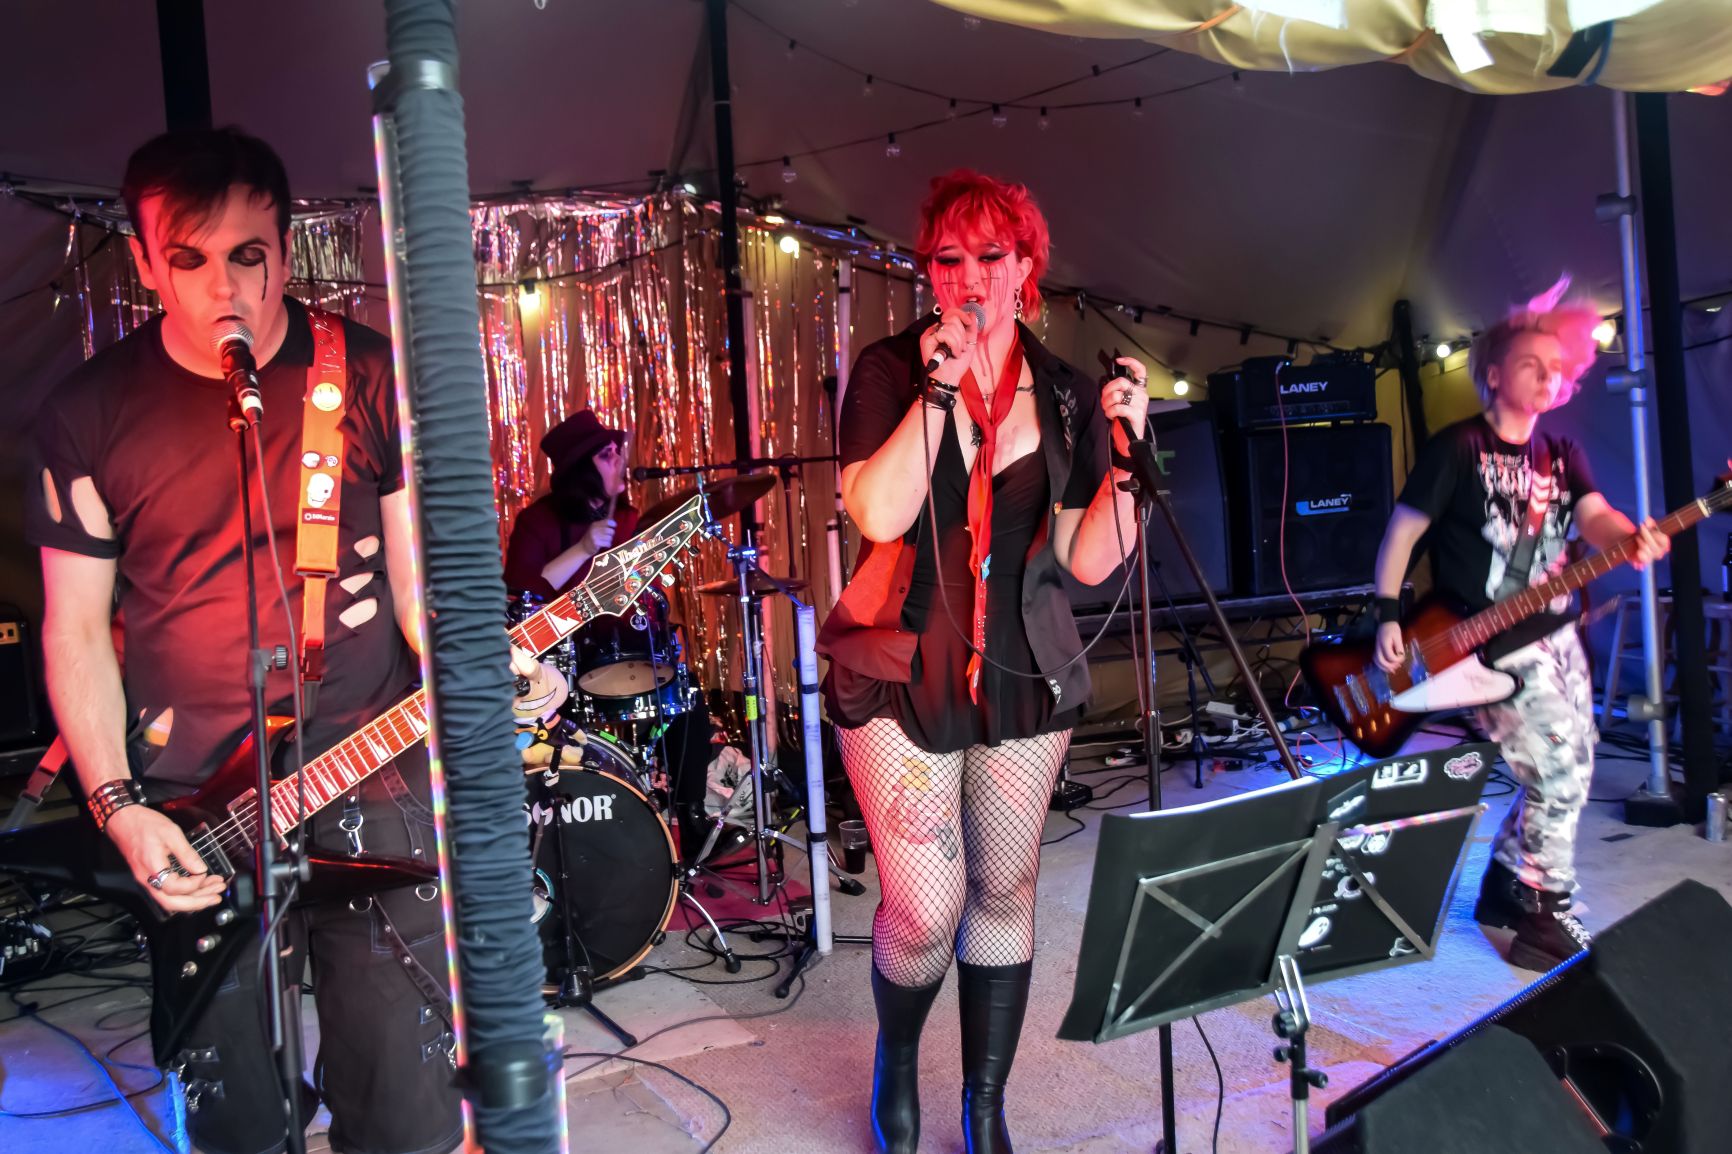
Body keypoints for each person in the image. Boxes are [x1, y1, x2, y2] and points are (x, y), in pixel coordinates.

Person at [27, 127, 463, 1154]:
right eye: (188, 259)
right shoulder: (87, 412)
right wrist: (117, 807)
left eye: (248, 255)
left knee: (407, 1110)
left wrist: (483, 668)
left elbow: (423, 589)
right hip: (192, 803)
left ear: (287, 247)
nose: (223, 287)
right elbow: (75, 629)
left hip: (371, 767)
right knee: (237, 1123)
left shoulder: (366, 371)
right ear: (144, 263)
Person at [818, 169, 1147, 1154]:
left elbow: (1088, 558)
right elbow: (877, 513)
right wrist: (938, 387)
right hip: (902, 658)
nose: (966, 277)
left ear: (1025, 265)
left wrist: (1131, 457)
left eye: (989, 256)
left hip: (1021, 662)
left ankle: (986, 1103)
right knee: (923, 910)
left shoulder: (1065, 391)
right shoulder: (889, 369)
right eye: (947, 258)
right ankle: (897, 1057)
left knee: (1003, 891)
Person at [1370, 280, 1668, 973]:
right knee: (1557, 770)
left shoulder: (1560, 452)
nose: (1548, 375)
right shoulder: (1457, 449)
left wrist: (1631, 537)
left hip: (1558, 633)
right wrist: (1386, 612)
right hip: (1488, 648)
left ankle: (1507, 880)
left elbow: (1596, 518)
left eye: (1555, 367)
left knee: (1575, 758)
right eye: (1532, 363)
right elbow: (1402, 533)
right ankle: (1545, 908)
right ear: (1496, 374)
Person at [503, 410, 719, 861]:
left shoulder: (629, 518)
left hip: (629, 652)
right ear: (581, 469)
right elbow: (520, 597)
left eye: (617, 451)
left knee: (687, 699)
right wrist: (582, 548)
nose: (620, 459)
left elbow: (644, 594)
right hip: (566, 665)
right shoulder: (537, 522)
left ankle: (692, 818)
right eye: (606, 455)